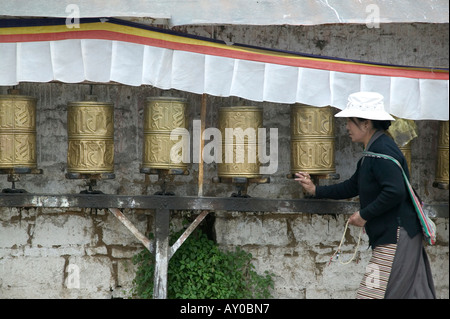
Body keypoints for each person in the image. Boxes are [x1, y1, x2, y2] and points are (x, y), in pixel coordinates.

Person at [296, 91, 436, 299]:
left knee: (371, 295)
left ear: (366, 123)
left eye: (350, 122)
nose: (346, 128)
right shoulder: (375, 151)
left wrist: (364, 215)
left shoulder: (381, 152)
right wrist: (315, 190)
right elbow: (354, 186)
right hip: (398, 234)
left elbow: (394, 191)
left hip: (397, 235)